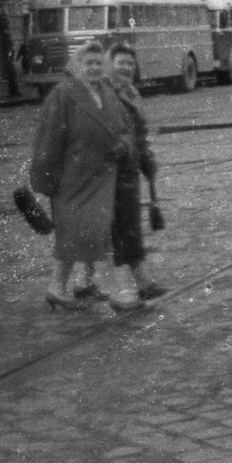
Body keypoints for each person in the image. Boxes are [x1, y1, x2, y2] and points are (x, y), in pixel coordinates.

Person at [28, 40, 128, 311]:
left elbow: (122, 127)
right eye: (89, 63)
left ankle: (57, 287)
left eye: (98, 63)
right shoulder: (62, 94)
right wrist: (45, 181)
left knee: (79, 234)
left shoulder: (106, 92)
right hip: (72, 180)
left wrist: (123, 145)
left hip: (101, 177)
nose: (94, 68)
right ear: (77, 65)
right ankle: (117, 291)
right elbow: (48, 140)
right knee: (94, 232)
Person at [96, 43, 167, 308]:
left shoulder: (132, 93)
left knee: (129, 226)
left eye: (130, 63)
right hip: (109, 170)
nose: (126, 68)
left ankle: (143, 281)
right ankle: (122, 289)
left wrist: (147, 157)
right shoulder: (103, 93)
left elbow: (140, 132)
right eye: (121, 62)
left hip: (129, 170)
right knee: (114, 230)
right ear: (109, 64)